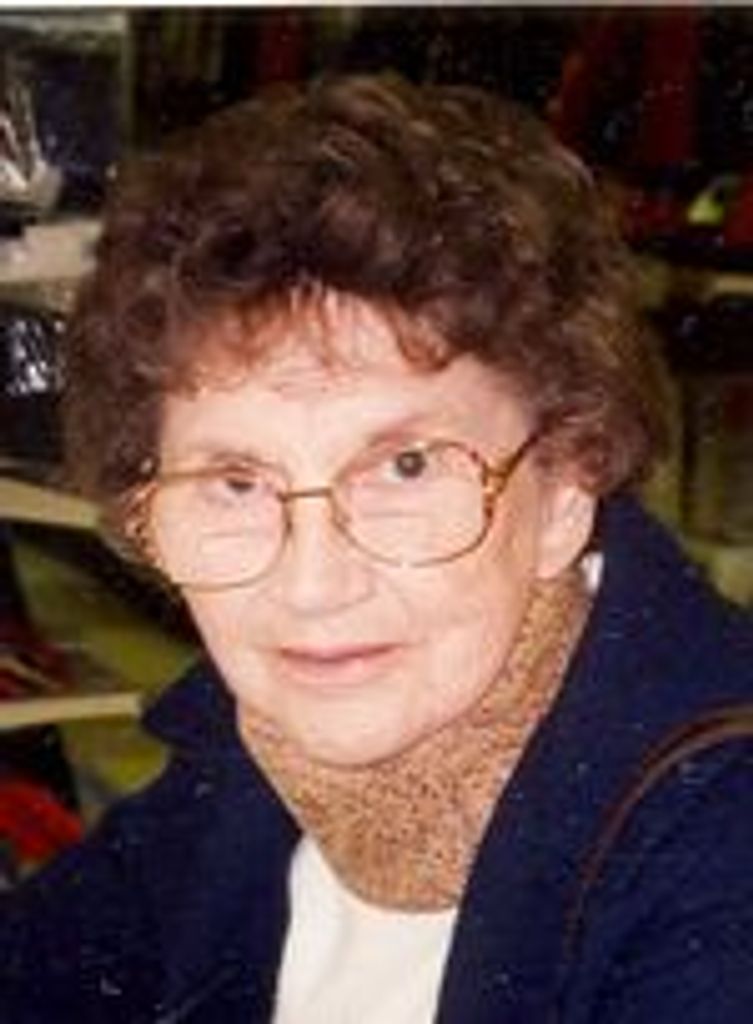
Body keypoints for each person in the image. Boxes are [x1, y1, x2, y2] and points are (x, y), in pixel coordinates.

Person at [2, 72, 753, 1024]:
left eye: (403, 468)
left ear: (565, 488)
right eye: (236, 482)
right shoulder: (257, 761)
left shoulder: (722, 853)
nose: (312, 587)